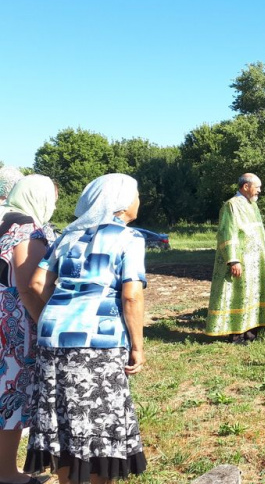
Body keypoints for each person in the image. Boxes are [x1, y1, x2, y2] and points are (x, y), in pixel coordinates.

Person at [24, 173, 147, 483]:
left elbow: (37, 283)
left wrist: (62, 314)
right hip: (99, 340)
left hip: (53, 337)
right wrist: (137, 347)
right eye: (136, 194)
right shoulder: (129, 238)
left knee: (61, 419)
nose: (139, 200)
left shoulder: (67, 236)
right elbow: (131, 295)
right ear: (121, 202)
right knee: (100, 420)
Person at [0, 175, 57, 484]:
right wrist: (45, 324)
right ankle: (7, 474)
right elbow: (27, 285)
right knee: (10, 394)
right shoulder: (26, 227)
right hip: (13, 323)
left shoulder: (3, 219)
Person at [205, 173, 265, 343]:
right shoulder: (231, 205)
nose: (259, 191)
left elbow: (259, 232)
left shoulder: (253, 205)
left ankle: (251, 333)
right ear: (246, 186)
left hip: (256, 261)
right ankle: (236, 334)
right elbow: (227, 233)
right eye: (257, 187)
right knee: (238, 295)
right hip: (241, 260)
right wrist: (233, 260)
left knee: (252, 295)